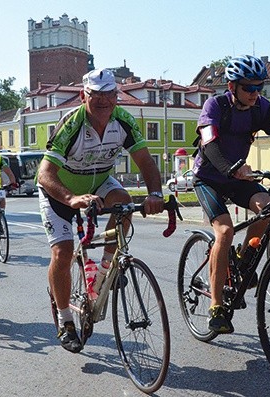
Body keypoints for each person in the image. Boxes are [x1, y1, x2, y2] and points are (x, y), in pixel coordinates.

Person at [37, 68, 165, 353]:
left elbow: (146, 163)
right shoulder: (71, 125)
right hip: (60, 189)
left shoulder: (124, 121)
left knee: (124, 202)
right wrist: (71, 199)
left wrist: (156, 194)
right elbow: (44, 174)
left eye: (110, 94)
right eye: (97, 95)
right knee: (63, 251)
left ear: (116, 97)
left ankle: (106, 268)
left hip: (98, 182)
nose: (104, 101)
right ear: (85, 96)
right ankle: (65, 318)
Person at [192, 55, 270, 334]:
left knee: (269, 207)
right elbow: (209, 144)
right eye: (249, 88)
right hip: (209, 177)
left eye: (259, 87)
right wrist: (230, 169)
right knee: (224, 232)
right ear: (232, 86)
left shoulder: (261, 108)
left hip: (239, 176)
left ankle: (242, 262)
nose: (255, 93)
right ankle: (216, 307)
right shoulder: (216, 105)